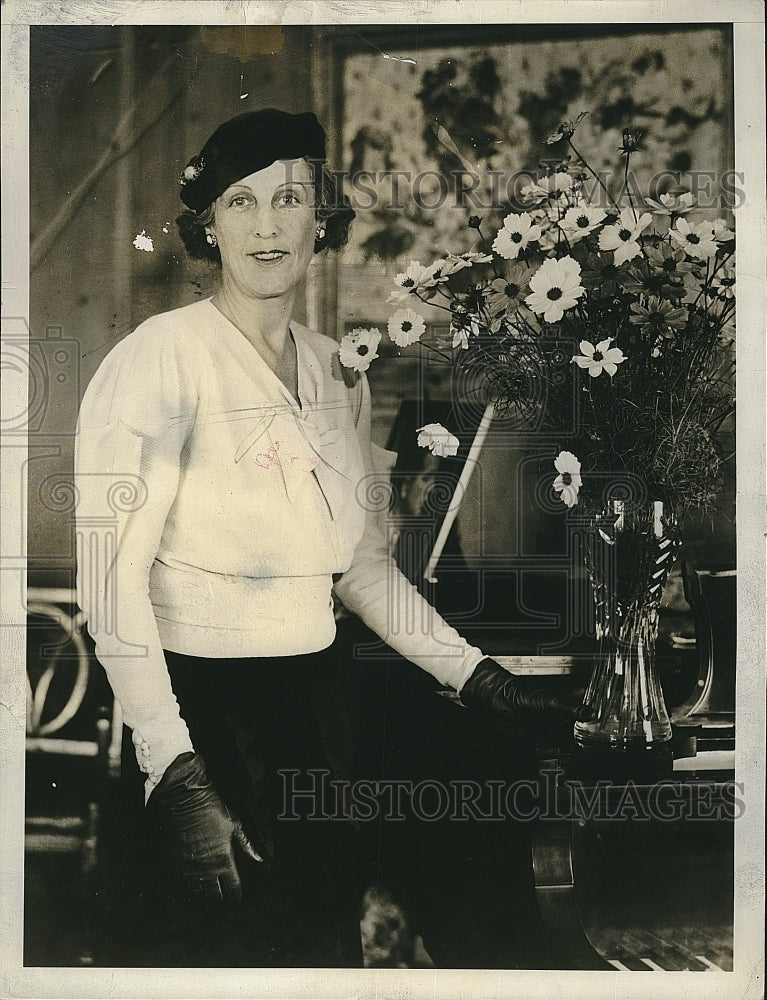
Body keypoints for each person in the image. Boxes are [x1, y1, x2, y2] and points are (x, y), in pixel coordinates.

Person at [74, 109, 588, 967]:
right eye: (240, 203)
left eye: (288, 199)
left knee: (320, 952)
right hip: (198, 715)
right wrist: (174, 771)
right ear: (209, 225)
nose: (266, 226)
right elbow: (110, 585)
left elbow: (360, 567)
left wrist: (484, 682)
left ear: (324, 218)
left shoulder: (332, 373)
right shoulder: (158, 359)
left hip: (314, 710)